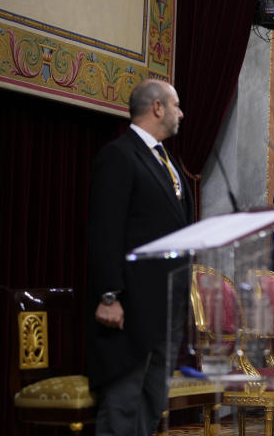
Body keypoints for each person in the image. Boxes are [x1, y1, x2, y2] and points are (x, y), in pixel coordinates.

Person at [87, 79, 195, 436]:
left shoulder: (168, 160)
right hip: (130, 305)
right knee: (124, 403)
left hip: (168, 302)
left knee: (152, 400)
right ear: (157, 108)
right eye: (176, 105)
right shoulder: (119, 155)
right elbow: (105, 230)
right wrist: (108, 295)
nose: (181, 113)